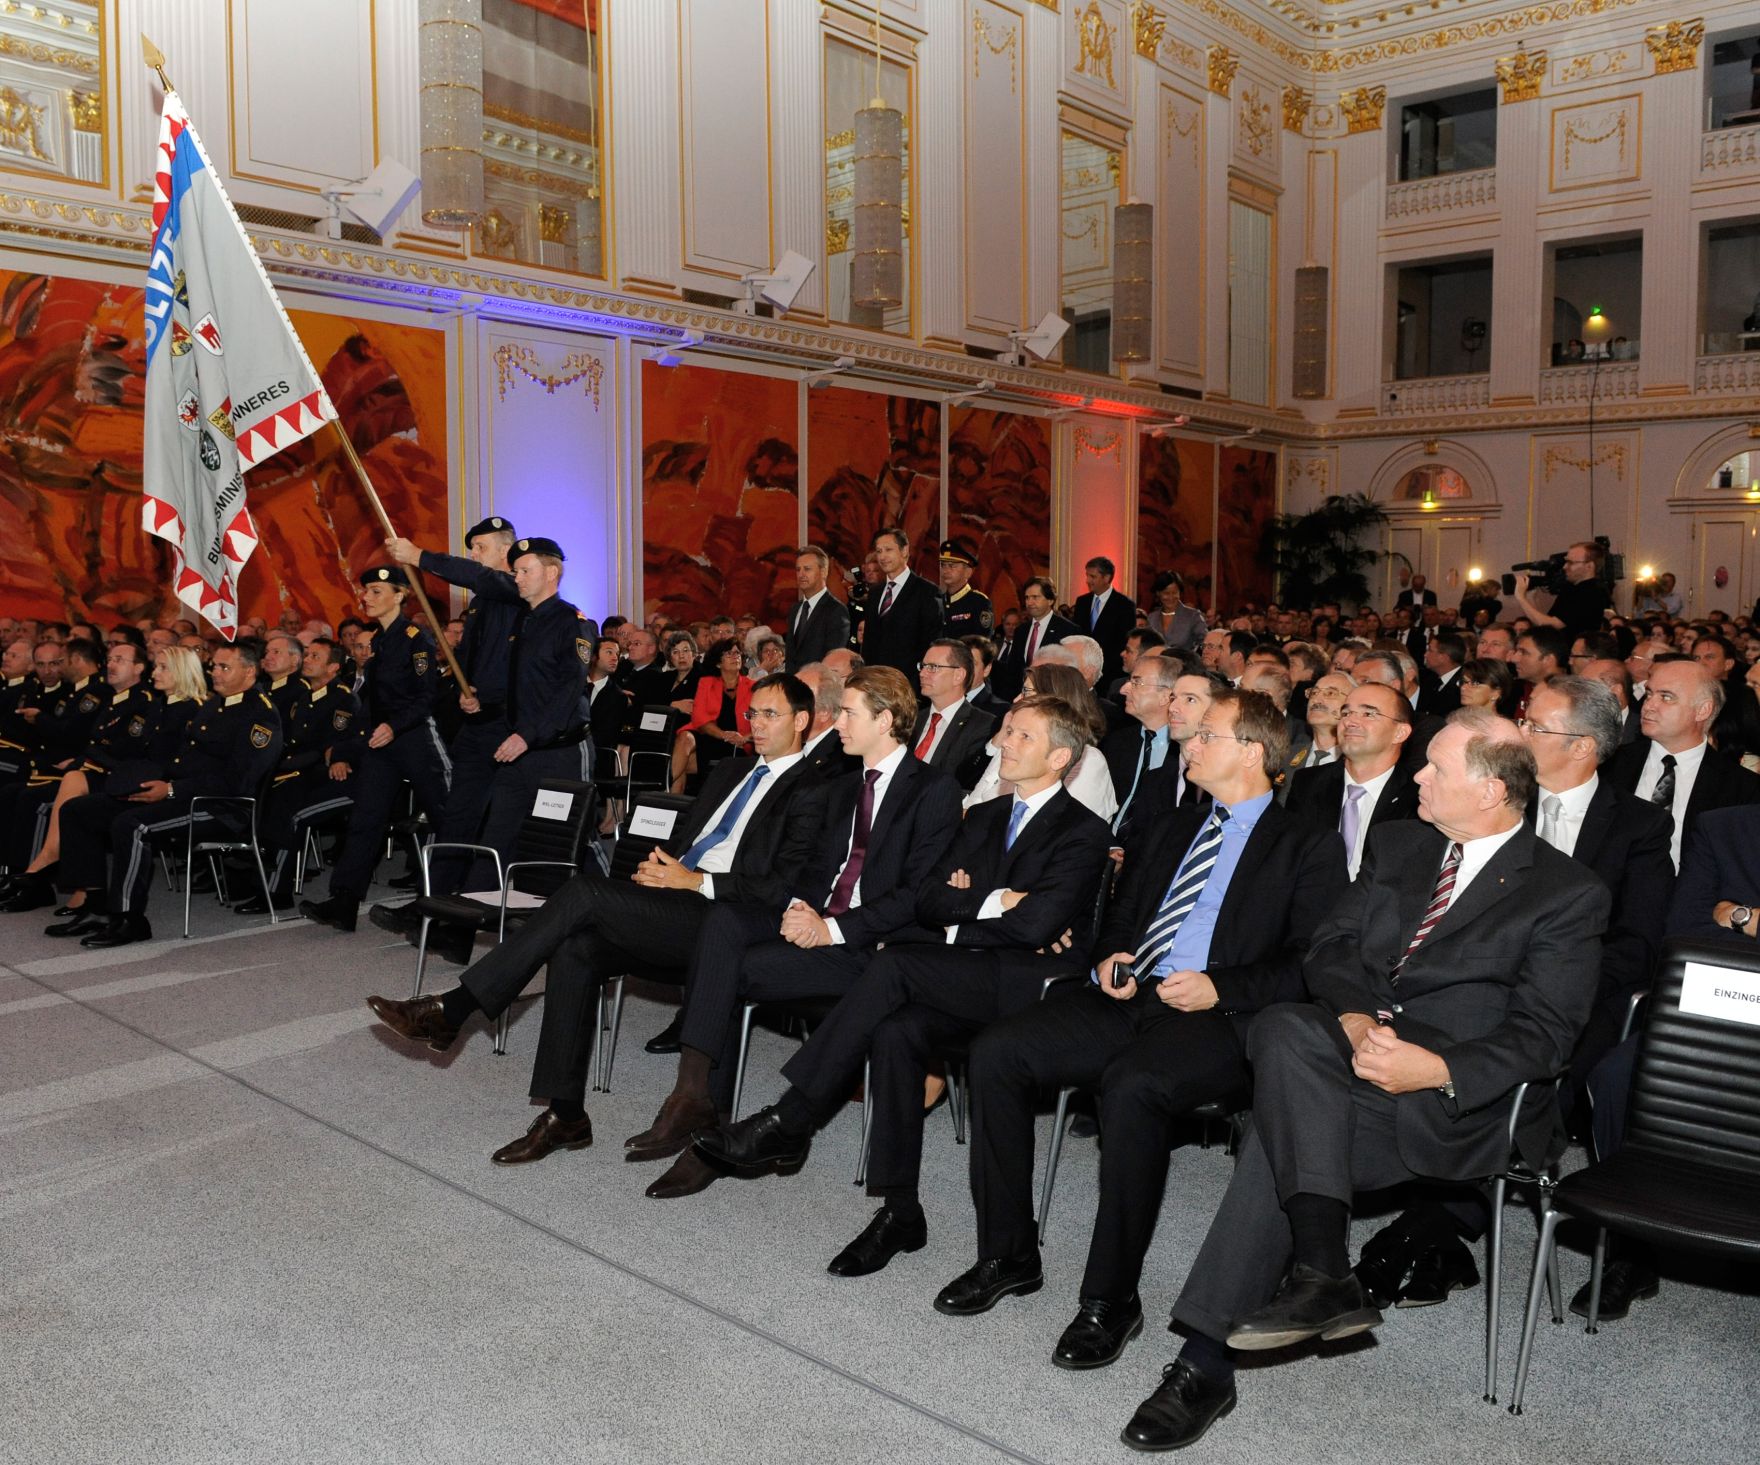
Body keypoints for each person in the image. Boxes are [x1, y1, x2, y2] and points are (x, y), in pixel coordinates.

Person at [1120, 712, 1610, 1452]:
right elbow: (1330, 945)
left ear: (1490, 789)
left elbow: (1548, 1033)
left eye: (1435, 768)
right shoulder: (1402, 844)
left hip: (1452, 1100)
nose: (1415, 776)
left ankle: (1205, 1362)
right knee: (1282, 1025)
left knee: (1276, 1135)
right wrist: (1350, 1017)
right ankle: (1321, 1266)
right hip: (1345, 1053)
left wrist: (1437, 1067)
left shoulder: (1566, 892)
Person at [940, 690, 1346, 1358]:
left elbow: (1308, 964)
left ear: (1252, 750)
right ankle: (1007, 1253)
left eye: (1204, 734)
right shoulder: (1171, 824)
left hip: (1221, 1017)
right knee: (998, 1051)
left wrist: (1220, 986)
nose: (1188, 742)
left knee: (1132, 1087)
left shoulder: (1306, 843)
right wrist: (1109, 954)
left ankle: (1110, 1298)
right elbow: (1122, 914)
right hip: (1132, 993)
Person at [692, 695, 1115, 1276]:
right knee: (895, 1031)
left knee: (893, 966)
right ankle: (900, 1211)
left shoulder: (1084, 831)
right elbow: (933, 898)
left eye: (1020, 736)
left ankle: (792, 1119)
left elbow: (1038, 926)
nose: (1001, 744)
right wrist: (994, 901)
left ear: (1060, 756)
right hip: (966, 970)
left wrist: (976, 903)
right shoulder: (987, 814)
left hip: (1029, 989)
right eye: (1006, 731)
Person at [363, 675, 829, 1164]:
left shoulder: (813, 789)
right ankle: (565, 1115)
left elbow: (781, 886)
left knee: (583, 892)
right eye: (752, 713)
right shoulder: (730, 773)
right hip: (676, 903)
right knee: (575, 947)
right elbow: (685, 845)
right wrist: (659, 869)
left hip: (725, 920)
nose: (756, 724)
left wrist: (696, 883)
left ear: (801, 720)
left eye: (770, 714)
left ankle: (454, 1009)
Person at [630, 666, 964, 1199]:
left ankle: (710, 1126)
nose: (837, 722)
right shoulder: (842, 785)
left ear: (884, 719)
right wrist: (799, 908)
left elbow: (915, 895)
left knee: (726, 968)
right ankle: (700, 1109)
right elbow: (813, 870)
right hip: (819, 927)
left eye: (849, 712)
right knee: (723, 932)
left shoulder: (934, 789)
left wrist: (830, 928)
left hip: (872, 947)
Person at [47, 641, 285, 949]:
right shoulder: (215, 704)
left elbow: (237, 781)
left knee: (132, 825)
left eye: (225, 667)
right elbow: (180, 760)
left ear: (250, 672)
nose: (216, 672)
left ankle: (129, 919)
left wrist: (172, 789)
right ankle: (95, 906)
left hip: (220, 807)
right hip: (180, 793)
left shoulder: (261, 716)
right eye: (214, 666)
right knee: (79, 810)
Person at [299, 567, 452, 934]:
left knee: (447, 817)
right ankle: (344, 902)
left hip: (414, 737)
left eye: (376, 590)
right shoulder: (379, 641)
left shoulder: (418, 639)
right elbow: (375, 701)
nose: (366, 596)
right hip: (381, 743)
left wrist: (394, 726)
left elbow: (426, 695)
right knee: (366, 818)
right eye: (365, 590)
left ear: (400, 595)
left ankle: (449, 903)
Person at [239, 637, 362, 914]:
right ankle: (257, 875)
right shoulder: (308, 697)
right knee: (268, 795)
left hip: (328, 774)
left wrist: (336, 757)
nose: (307, 660)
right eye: (307, 655)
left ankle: (276, 890)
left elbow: (337, 742)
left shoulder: (342, 697)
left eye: (315, 657)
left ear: (333, 668)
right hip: (303, 769)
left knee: (288, 811)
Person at [1606, 658, 1760, 869]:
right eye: (1649, 693)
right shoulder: (1608, 764)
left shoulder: (1742, 788)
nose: (1648, 705)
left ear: (1703, 710)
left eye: (1666, 697)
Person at [1283, 682, 1419, 879]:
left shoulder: (1418, 795)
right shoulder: (1308, 784)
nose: (1350, 722)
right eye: (1346, 714)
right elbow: (1290, 861)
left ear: (1400, 732)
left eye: (1368, 714)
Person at [909, 638, 995, 790]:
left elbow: (963, 781)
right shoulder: (914, 718)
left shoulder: (982, 725)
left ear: (959, 675)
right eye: (922, 666)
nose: (922, 673)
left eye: (933, 667)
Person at [856, 528, 942, 677]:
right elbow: (869, 643)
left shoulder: (927, 592)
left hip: (909, 685)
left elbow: (931, 644)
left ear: (904, 551)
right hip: (875, 684)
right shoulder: (875, 594)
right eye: (879, 551)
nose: (882, 556)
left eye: (888, 550)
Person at [671, 638, 752, 793]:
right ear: (718, 663)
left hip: (738, 743)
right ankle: (668, 793)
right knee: (685, 737)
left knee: (681, 765)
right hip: (709, 736)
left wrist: (744, 737)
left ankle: (666, 797)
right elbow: (700, 719)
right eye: (729, 653)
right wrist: (723, 735)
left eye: (737, 653)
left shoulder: (753, 686)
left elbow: (760, 722)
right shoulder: (706, 683)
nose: (735, 656)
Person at [991, 577, 1076, 702]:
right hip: (1020, 698)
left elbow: (1069, 672)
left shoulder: (1067, 630)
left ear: (1050, 600)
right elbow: (1014, 669)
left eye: (1035, 597)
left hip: (1051, 699)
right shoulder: (1021, 630)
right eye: (1027, 598)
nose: (1029, 602)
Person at [1512, 541, 1612, 642]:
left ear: (1589, 566)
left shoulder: (1591, 591)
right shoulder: (1571, 587)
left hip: (1575, 652)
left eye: (1571, 562)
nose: (1565, 567)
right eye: (1566, 561)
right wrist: (1529, 598)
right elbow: (1545, 622)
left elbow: (1551, 625)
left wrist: (1521, 598)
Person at [785, 544, 850, 672]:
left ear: (824, 571)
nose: (801, 574)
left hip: (819, 687)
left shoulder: (836, 611)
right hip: (793, 687)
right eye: (798, 569)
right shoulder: (795, 610)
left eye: (807, 569)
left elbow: (833, 660)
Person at [1073, 557, 1137, 685]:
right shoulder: (1082, 602)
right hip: (1082, 673)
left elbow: (1124, 641)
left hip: (1110, 675)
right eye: (1087, 576)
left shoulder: (1124, 605)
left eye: (1093, 576)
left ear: (1106, 578)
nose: (1088, 580)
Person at [938, 539, 994, 641]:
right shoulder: (937, 601)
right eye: (943, 565)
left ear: (968, 572)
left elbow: (982, 644)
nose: (946, 570)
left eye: (952, 566)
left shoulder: (979, 602)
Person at [1145, 571, 1205, 655]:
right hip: (1157, 666)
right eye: (1166, 593)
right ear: (1158, 593)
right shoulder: (1152, 618)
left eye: (1174, 593)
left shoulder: (1192, 616)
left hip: (1184, 666)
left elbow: (1205, 642)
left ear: (1180, 592)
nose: (1171, 597)